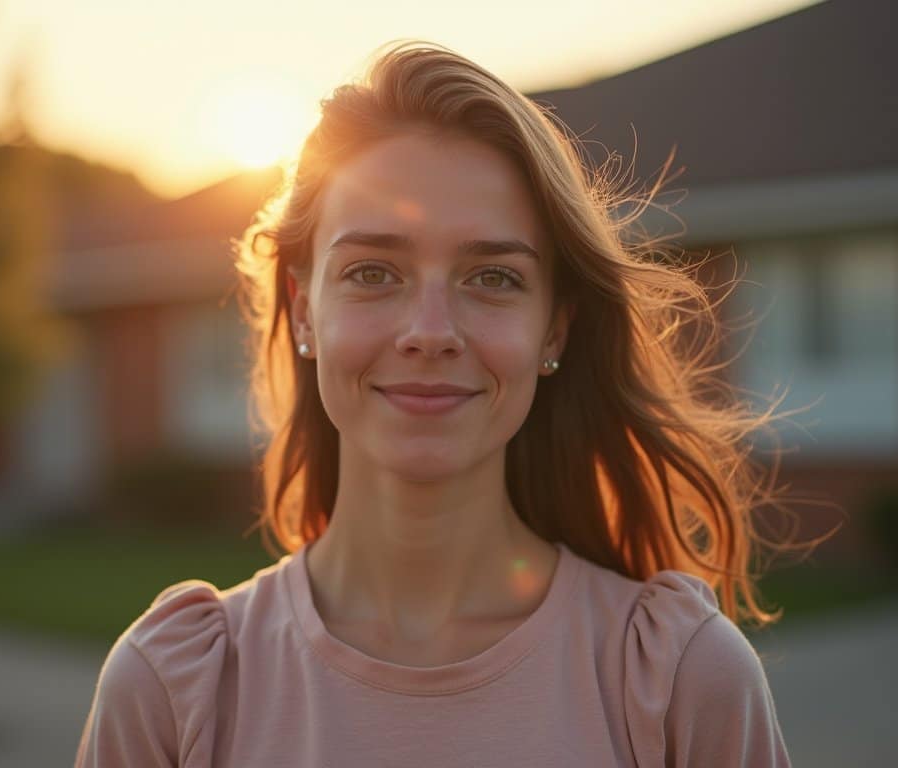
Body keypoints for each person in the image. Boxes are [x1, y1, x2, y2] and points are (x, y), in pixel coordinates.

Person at [76, 42, 798, 767]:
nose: (430, 332)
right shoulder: (176, 688)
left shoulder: (679, 682)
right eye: (371, 272)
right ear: (303, 310)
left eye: (492, 277)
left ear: (555, 325)